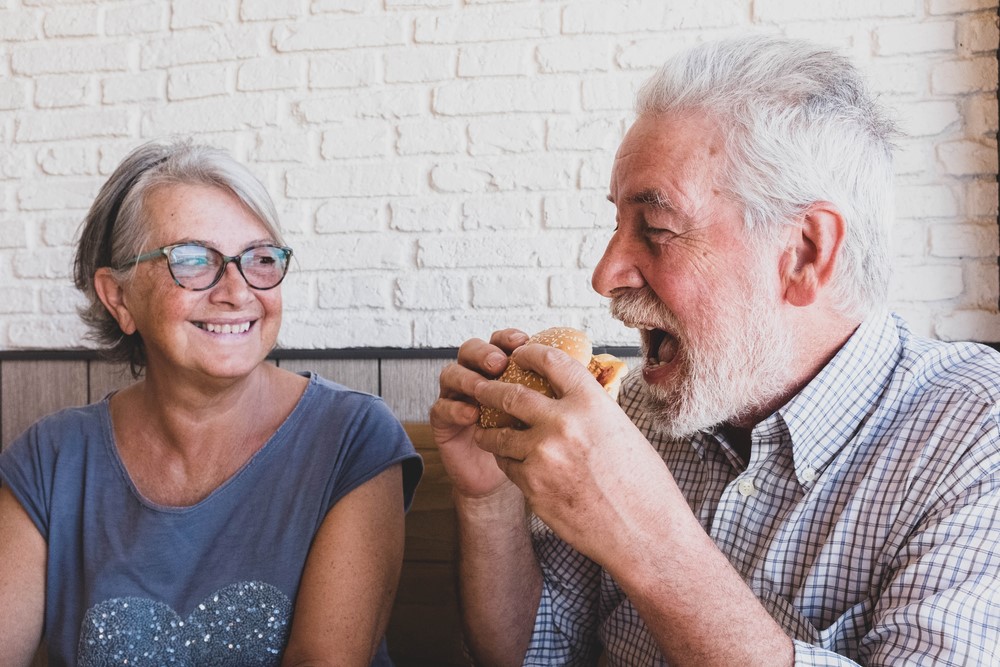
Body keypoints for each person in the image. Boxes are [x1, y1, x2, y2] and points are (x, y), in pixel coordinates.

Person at [430, 35, 1000, 666]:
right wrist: (491, 503)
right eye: (616, 225)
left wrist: (651, 542)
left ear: (805, 253)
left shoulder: (977, 434)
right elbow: (534, 652)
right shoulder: (638, 410)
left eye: (657, 229)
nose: (605, 273)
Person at [0, 138, 423, 666]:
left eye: (259, 258)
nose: (237, 290)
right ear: (118, 298)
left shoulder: (352, 436)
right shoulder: (50, 459)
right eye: (194, 260)